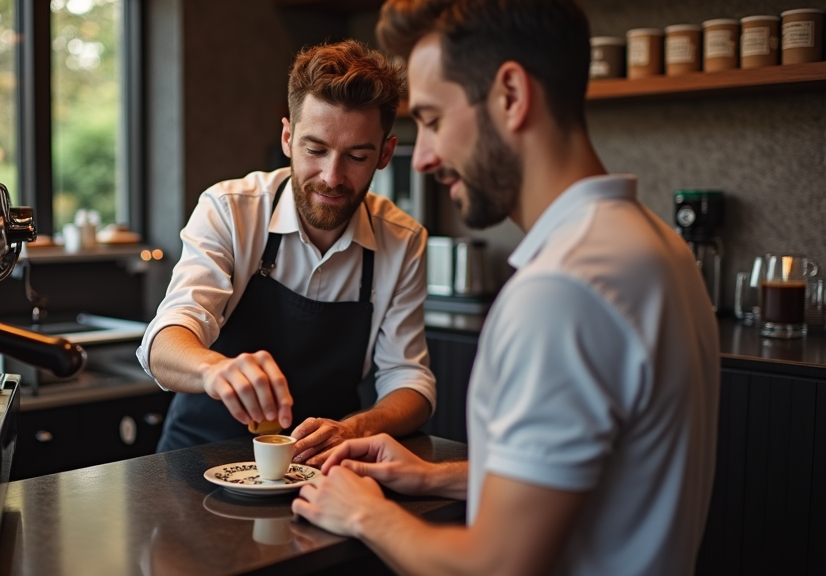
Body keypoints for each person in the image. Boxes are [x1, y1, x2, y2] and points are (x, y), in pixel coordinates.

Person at [291, 1, 721, 575]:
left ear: (512, 96)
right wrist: (429, 475)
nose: (422, 158)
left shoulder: (560, 292)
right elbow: (603, 470)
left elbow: (497, 566)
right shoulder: (658, 247)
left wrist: (366, 514)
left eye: (435, 120)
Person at [137, 40, 436, 464]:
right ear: (287, 137)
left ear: (384, 154)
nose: (332, 177)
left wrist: (356, 427)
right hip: (197, 457)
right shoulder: (229, 209)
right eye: (315, 150)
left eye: (355, 156)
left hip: (319, 467)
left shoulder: (402, 241)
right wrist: (214, 370)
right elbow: (165, 340)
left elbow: (411, 381)